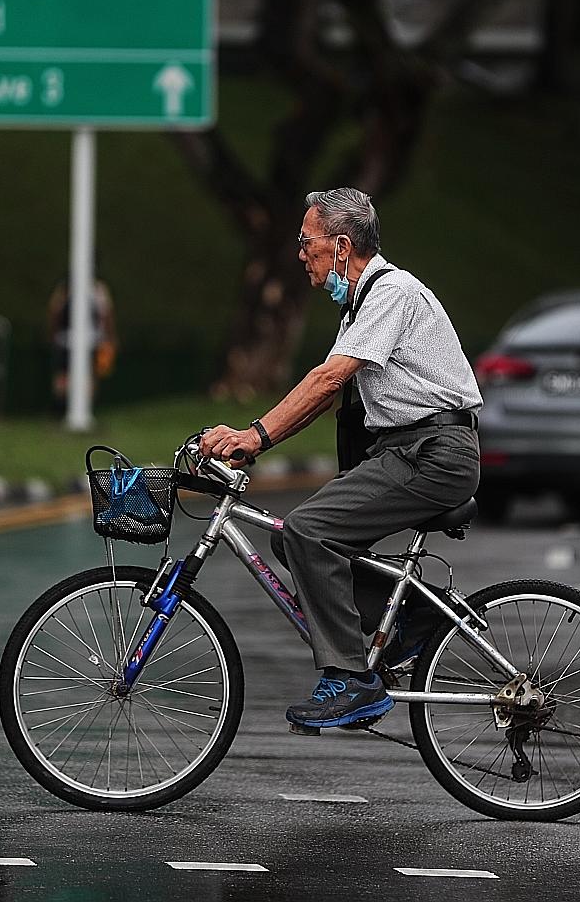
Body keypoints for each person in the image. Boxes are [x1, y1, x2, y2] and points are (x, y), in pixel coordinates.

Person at [200, 188, 482, 732]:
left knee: (307, 531)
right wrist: (255, 437)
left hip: (434, 454)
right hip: (409, 451)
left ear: (342, 245)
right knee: (290, 537)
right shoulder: (360, 302)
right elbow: (328, 394)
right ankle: (416, 616)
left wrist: (254, 436)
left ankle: (351, 679)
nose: (300, 254)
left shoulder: (389, 292)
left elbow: (327, 378)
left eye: (307, 243)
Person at [49, 276, 117, 406]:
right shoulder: (66, 288)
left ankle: (78, 409)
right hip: (68, 341)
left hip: (89, 341)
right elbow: (54, 312)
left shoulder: (97, 289)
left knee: (86, 378)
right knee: (65, 377)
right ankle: (64, 409)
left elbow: (107, 315)